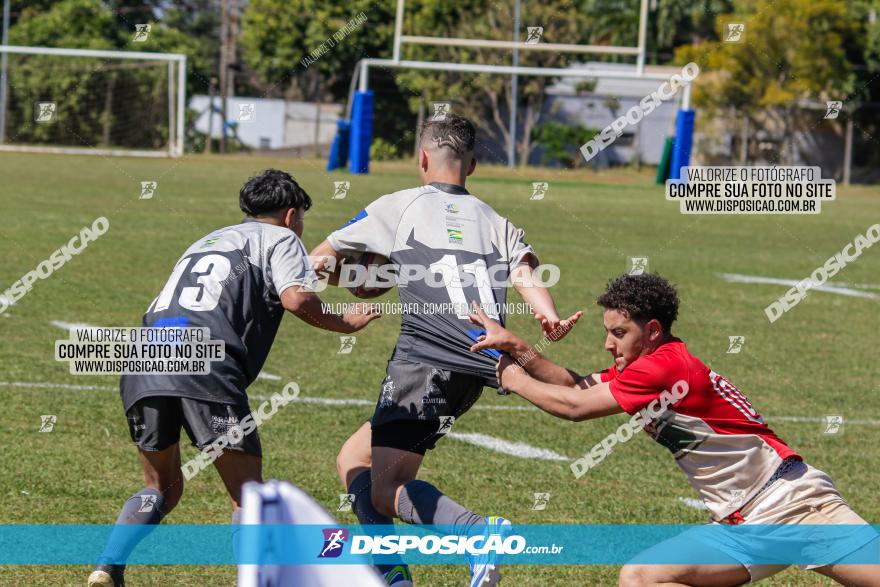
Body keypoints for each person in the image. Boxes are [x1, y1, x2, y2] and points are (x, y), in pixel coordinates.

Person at [468, 272, 879, 586]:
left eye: (619, 333)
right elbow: (576, 386)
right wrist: (517, 348)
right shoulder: (648, 365)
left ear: (652, 331)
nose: (609, 345)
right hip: (742, 523)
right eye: (608, 333)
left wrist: (510, 377)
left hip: (796, 505)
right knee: (641, 576)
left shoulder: (662, 367)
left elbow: (574, 407)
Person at [88, 169, 380, 587]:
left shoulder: (207, 240)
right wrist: (343, 323)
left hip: (144, 358)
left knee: (161, 487)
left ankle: (107, 564)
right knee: (249, 497)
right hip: (206, 364)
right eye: (301, 222)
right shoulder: (283, 239)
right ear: (292, 215)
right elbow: (296, 297)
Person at [310, 114, 568, 587]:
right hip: (483, 361)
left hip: (426, 358)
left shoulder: (396, 206)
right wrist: (548, 317)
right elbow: (527, 274)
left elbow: (316, 261)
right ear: (471, 165)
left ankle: (474, 534)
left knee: (386, 487)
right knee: (353, 459)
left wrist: (364, 279)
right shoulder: (497, 219)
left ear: (422, 158)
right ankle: (392, 575)